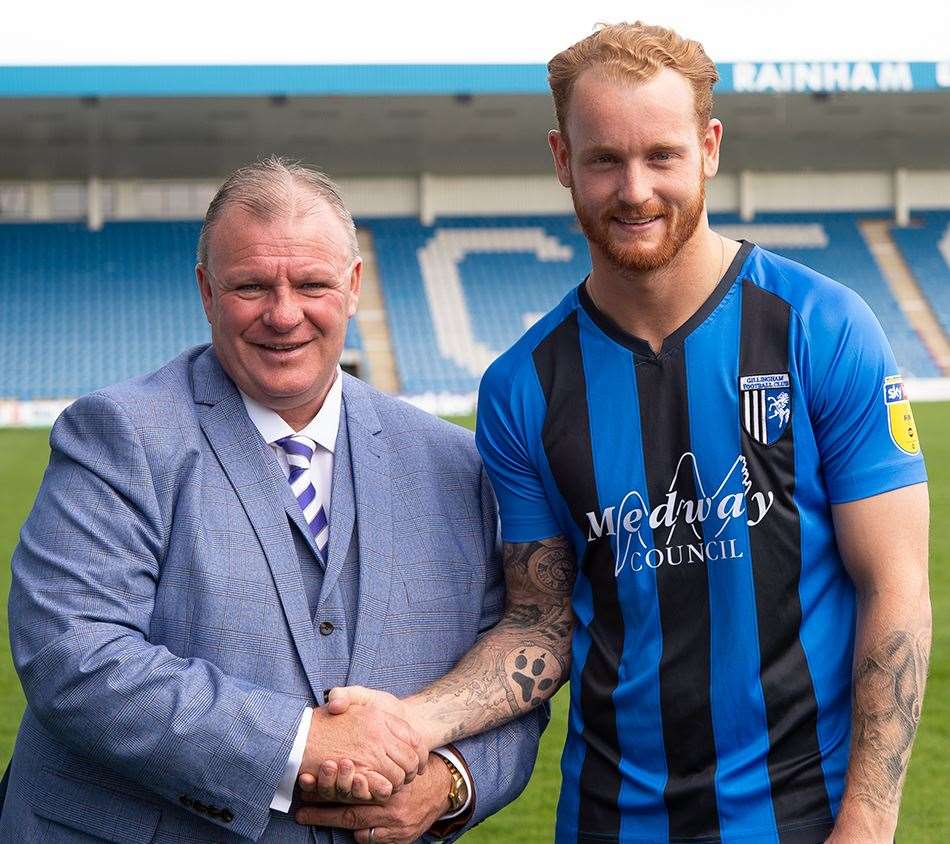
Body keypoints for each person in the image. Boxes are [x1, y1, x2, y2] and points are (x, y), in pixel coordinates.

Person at [324, 22, 931, 844]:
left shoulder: (822, 328)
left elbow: (893, 585)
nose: (634, 189)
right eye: (605, 158)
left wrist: (867, 822)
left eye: (663, 156)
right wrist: (410, 722)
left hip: (806, 817)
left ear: (709, 148)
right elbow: (539, 621)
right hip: (610, 821)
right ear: (563, 160)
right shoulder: (521, 387)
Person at [1, 156, 544, 843]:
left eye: (311, 283)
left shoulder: (454, 462)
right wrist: (300, 742)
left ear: (352, 287)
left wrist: (451, 782)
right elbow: (74, 653)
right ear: (205, 290)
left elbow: (503, 670)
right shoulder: (119, 436)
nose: (284, 315)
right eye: (252, 285)